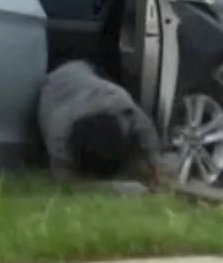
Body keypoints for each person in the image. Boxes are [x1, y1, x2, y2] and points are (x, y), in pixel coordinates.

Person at [38, 59, 163, 188]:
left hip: (86, 72)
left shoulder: (123, 105)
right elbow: (64, 180)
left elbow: (148, 133)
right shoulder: (58, 130)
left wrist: (154, 165)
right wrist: (116, 188)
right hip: (56, 84)